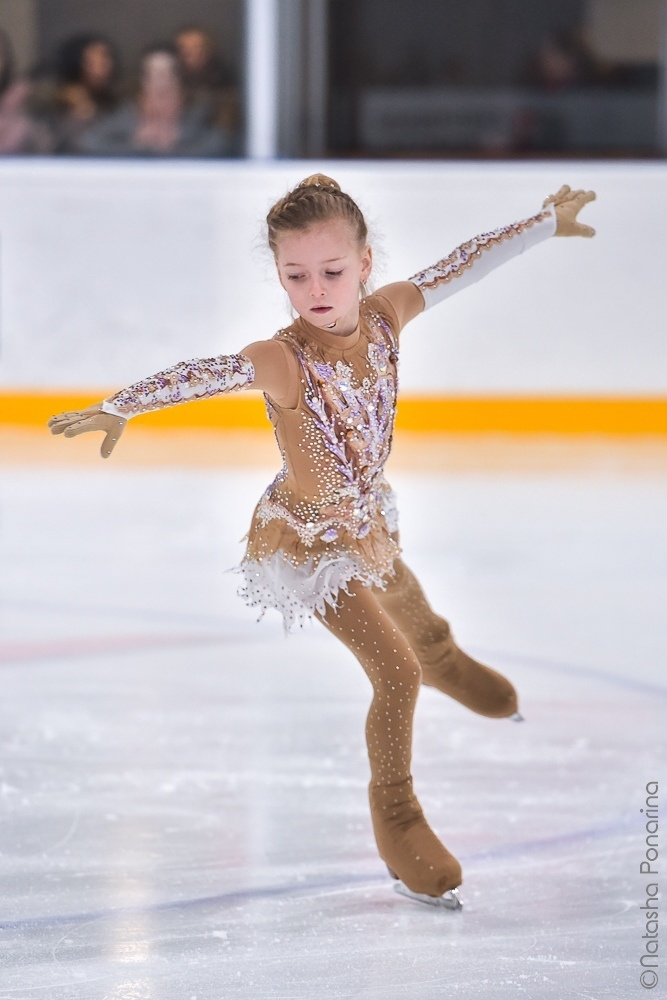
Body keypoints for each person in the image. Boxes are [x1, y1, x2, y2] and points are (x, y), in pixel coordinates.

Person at [48, 176, 596, 908]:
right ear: (277, 274)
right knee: (394, 674)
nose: (314, 289)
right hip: (305, 546)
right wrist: (119, 406)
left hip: (364, 518)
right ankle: (398, 820)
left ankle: (446, 660)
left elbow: (458, 266)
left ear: (364, 262)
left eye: (332, 271)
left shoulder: (385, 317)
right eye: (294, 274)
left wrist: (541, 224)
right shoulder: (283, 358)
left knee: (410, 605)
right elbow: (203, 374)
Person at [78, 44, 232, 158]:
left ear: (180, 81)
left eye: (168, 74)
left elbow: (222, 145)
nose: (161, 82)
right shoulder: (126, 115)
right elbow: (88, 142)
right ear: (142, 82)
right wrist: (139, 147)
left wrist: (174, 147)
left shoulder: (198, 115)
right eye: (153, 75)